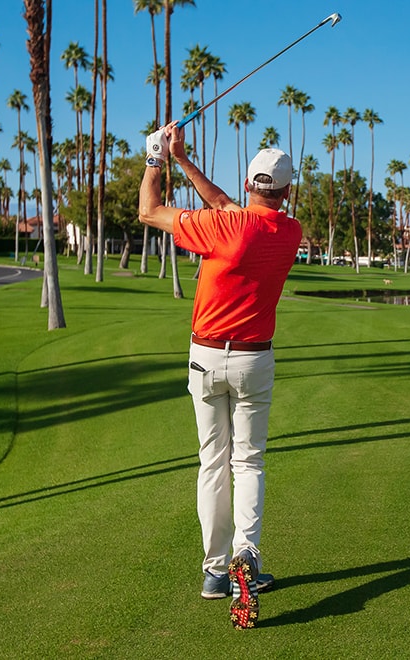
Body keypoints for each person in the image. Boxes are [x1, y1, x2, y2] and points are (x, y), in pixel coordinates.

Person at [137, 121, 302, 629]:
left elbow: (148, 210)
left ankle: (214, 573)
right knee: (248, 464)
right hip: (256, 360)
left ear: (249, 184)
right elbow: (230, 206)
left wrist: (155, 159)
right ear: (287, 192)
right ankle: (245, 559)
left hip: (206, 358)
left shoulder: (223, 227)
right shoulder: (287, 231)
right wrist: (183, 160)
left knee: (213, 462)